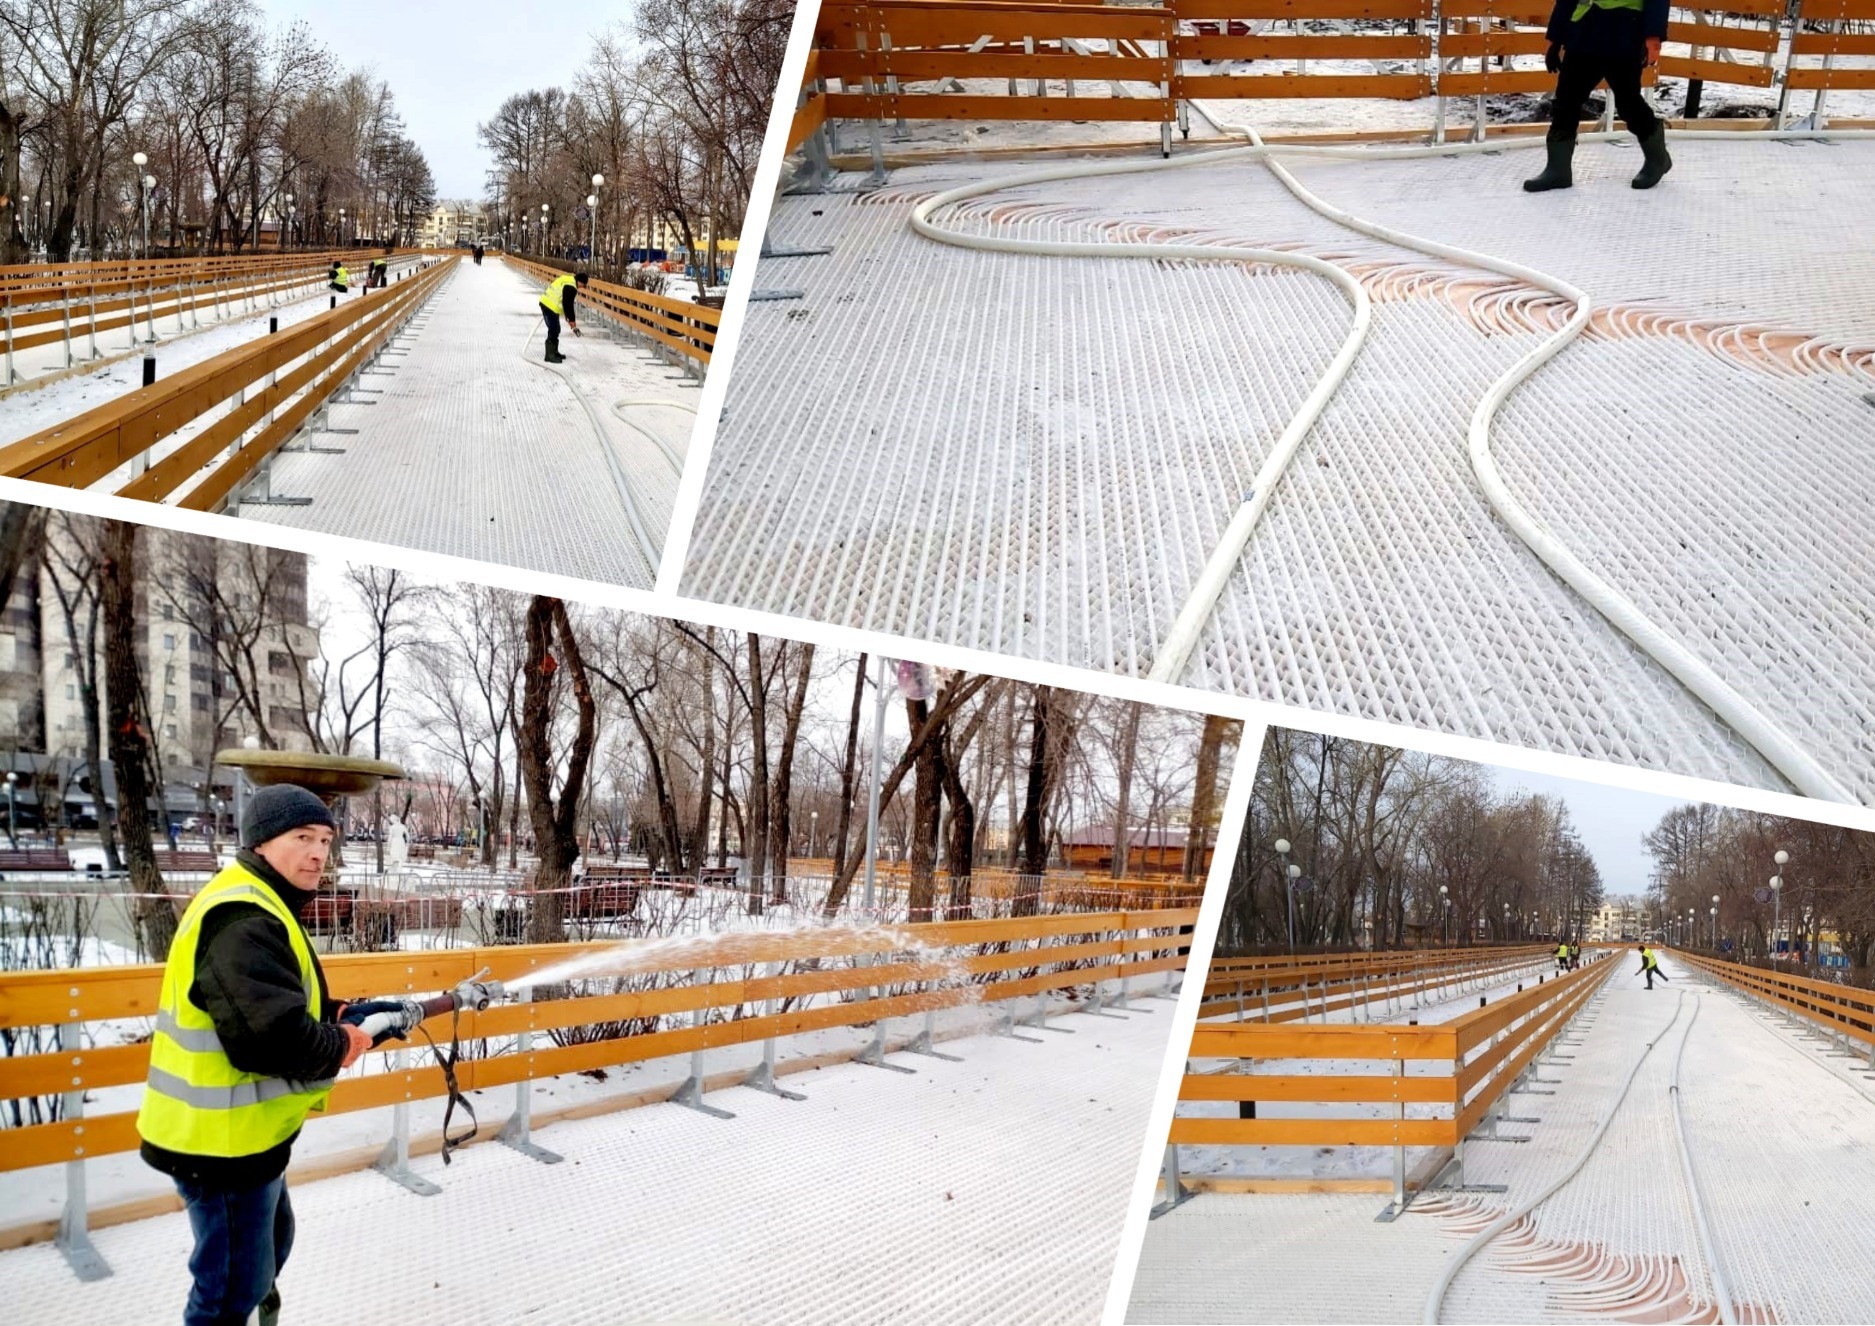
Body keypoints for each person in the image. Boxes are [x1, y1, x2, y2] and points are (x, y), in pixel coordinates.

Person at [137, 784, 421, 1326]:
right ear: (263, 843)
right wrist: (346, 1042)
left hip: (245, 1138)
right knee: (227, 1292)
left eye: (325, 840)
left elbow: (273, 1002)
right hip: (218, 1147)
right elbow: (271, 1039)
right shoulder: (242, 917)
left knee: (266, 1254)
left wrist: (339, 1014)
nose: (318, 852)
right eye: (302, 838)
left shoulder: (261, 901)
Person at [1525, 0, 1671, 192]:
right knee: (1565, 101)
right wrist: (1555, 39)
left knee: (1629, 104)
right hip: (1584, 31)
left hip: (1624, 33)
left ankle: (1657, 158)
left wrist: (1653, 37)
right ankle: (1558, 170)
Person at [538, 269, 590, 364]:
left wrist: (568, 318)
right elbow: (568, 304)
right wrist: (572, 320)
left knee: (555, 329)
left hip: (548, 304)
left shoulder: (568, 279)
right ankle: (549, 355)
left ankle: (554, 352)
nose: (582, 287)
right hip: (549, 306)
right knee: (554, 329)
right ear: (580, 282)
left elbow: (564, 301)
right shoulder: (572, 287)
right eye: (584, 285)